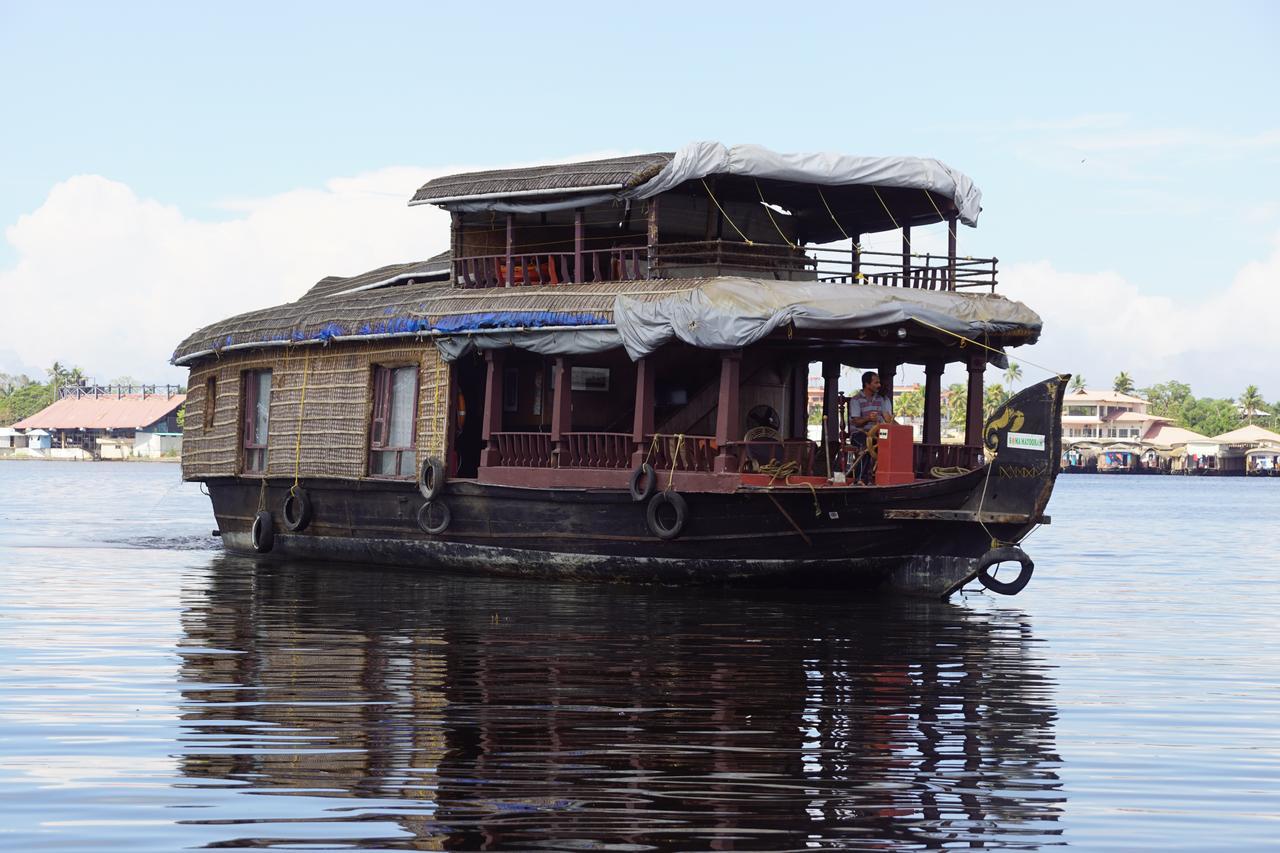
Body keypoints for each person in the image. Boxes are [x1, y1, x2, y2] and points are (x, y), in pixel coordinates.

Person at [846, 371, 893, 483]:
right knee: (866, 446)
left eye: (879, 382)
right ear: (867, 384)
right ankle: (859, 480)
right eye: (876, 383)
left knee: (889, 442)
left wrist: (897, 426)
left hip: (877, 433)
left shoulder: (880, 400)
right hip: (859, 433)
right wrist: (868, 418)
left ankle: (882, 479)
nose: (879, 385)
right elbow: (856, 422)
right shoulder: (856, 400)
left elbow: (887, 419)